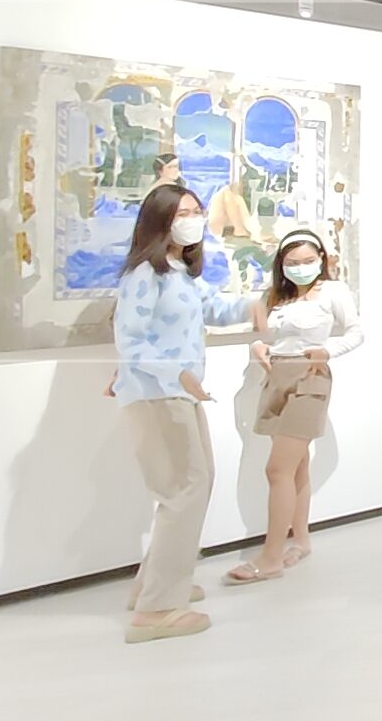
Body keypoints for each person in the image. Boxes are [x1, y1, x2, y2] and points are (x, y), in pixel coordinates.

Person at [106, 183, 256, 643]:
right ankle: (156, 609)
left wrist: (260, 304)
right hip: (157, 394)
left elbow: (214, 307)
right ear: (160, 221)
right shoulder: (144, 275)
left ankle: (155, 584)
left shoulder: (180, 273)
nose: (194, 220)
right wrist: (178, 374)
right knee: (184, 490)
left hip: (179, 394)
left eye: (197, 211)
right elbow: (131, 341)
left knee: (194, 483)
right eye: (183, 213)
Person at [224, 229, 361, 586]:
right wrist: (258, 346)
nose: (301, 268)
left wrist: (328, 351)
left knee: (277, 469)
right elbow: (266, 335)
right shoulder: (276, 296)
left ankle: (270, 557)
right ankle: (300, 541)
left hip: (309, 378)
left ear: (321, 259)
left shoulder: (333, 291)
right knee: (296, 465)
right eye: (293, 262)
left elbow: (355, 332)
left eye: (308, 261)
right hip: (275, 377)